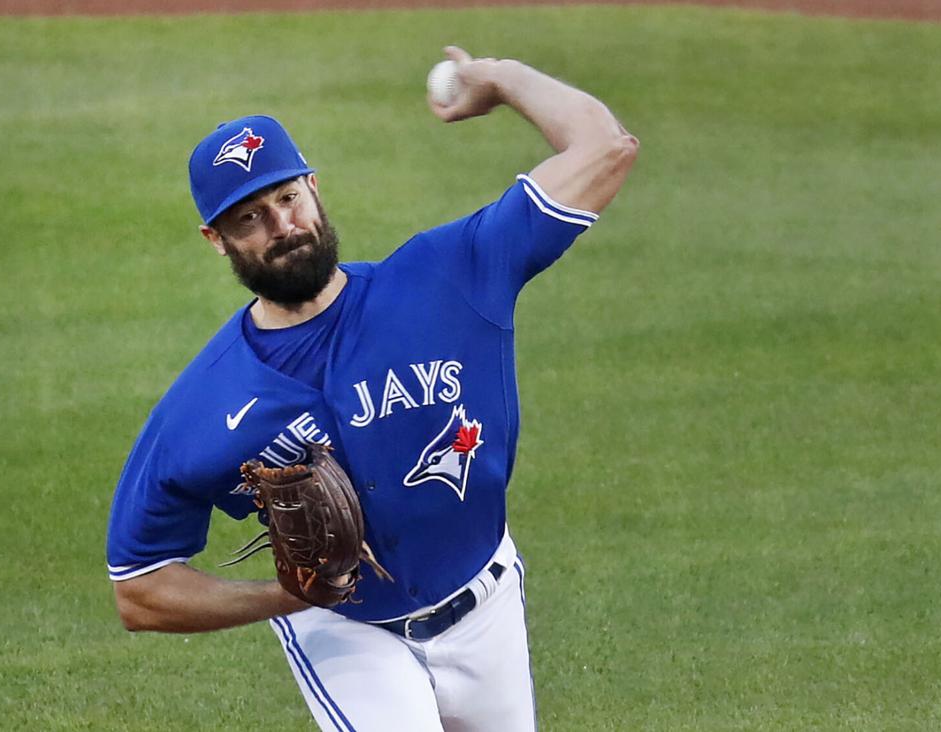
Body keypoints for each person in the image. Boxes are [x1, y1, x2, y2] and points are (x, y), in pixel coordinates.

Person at [106, 46, 638, 731]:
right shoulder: (203, 406)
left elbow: (605, 147)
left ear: (314, 188)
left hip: (490, 608)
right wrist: (283, 598)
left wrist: (501, 77)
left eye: (287, 198)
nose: (282, 226)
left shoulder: (448, 277)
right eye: (250, 218)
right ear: (217, 240)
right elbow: (140, 590)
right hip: (348, 636)